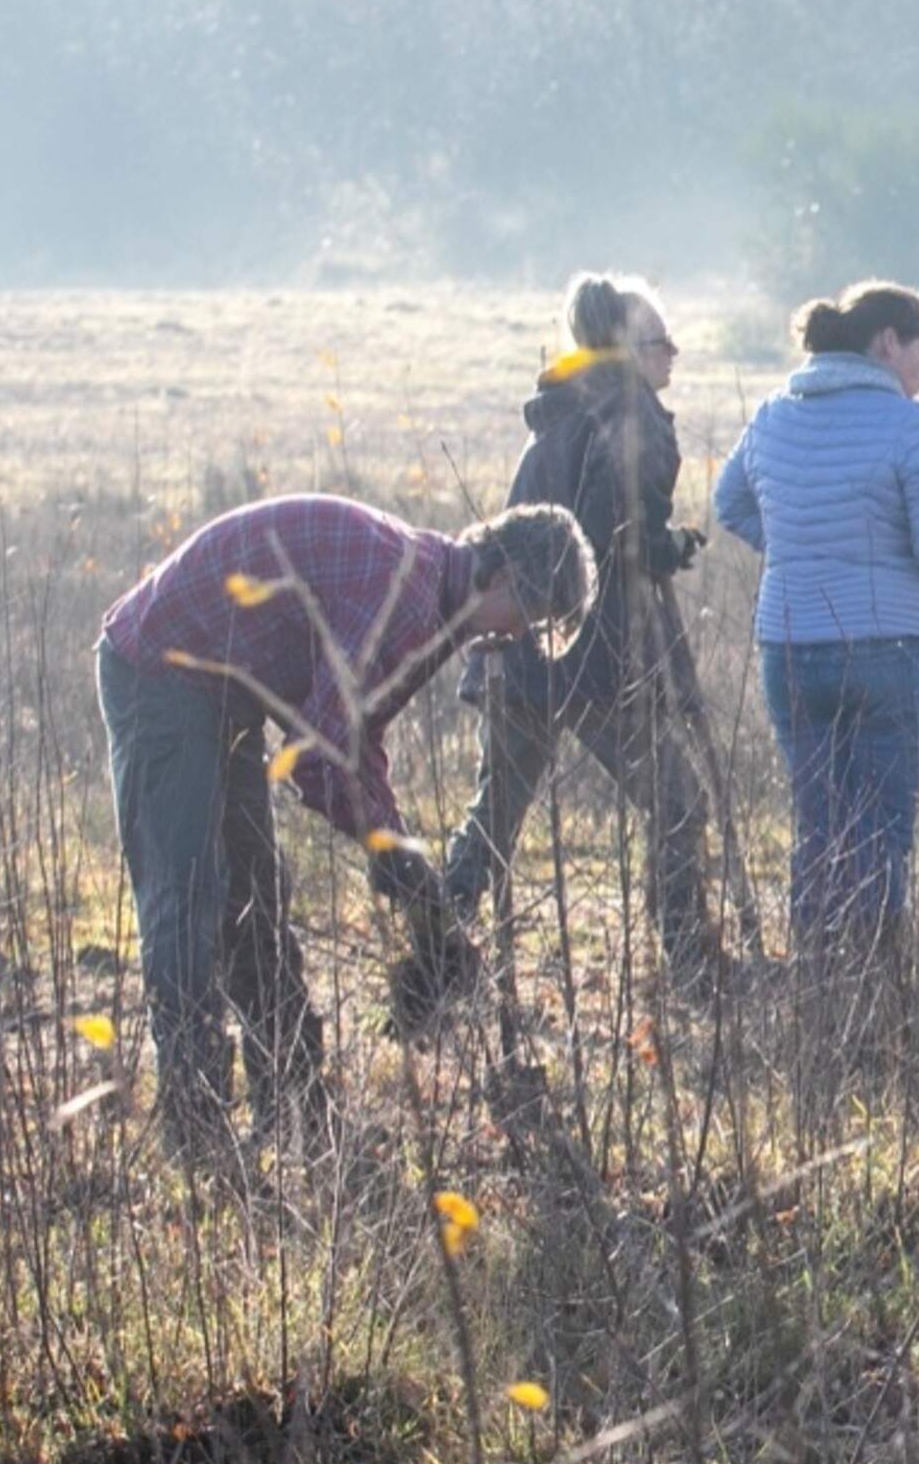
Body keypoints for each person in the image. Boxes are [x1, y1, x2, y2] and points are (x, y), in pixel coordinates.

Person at [97, 494, 593, 1164]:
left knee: (256, 903)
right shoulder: (408, 598)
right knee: (188, 900)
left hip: (224, 692)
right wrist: (392, 856)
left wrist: (397, 850)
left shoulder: (434, 602)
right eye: (525, 617)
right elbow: (324, 747)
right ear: (501, 575)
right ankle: (196, 1138)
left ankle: (298, 1112)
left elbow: (357, 739)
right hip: (158, 669)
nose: (514, 637)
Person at [437, 272, 723, 998]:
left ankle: (432, 958)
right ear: (626, 346)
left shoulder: (559, 415)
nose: (673, 354)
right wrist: (667, 548)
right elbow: (612, 538)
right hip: (597, 658)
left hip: (515, 651)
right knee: (680, 806)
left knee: (491, 823)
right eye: (661, 341)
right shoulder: (635, 417)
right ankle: (692, 970)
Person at [712, 281, 919, 975]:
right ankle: (880, 971)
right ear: (888, 342)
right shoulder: (910, 425)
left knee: (820, 816)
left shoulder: (774, 414)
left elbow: (729, 500)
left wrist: (798, 548)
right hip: (889, 646)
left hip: (791, 646)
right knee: (883, 821)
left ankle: (819, 964)